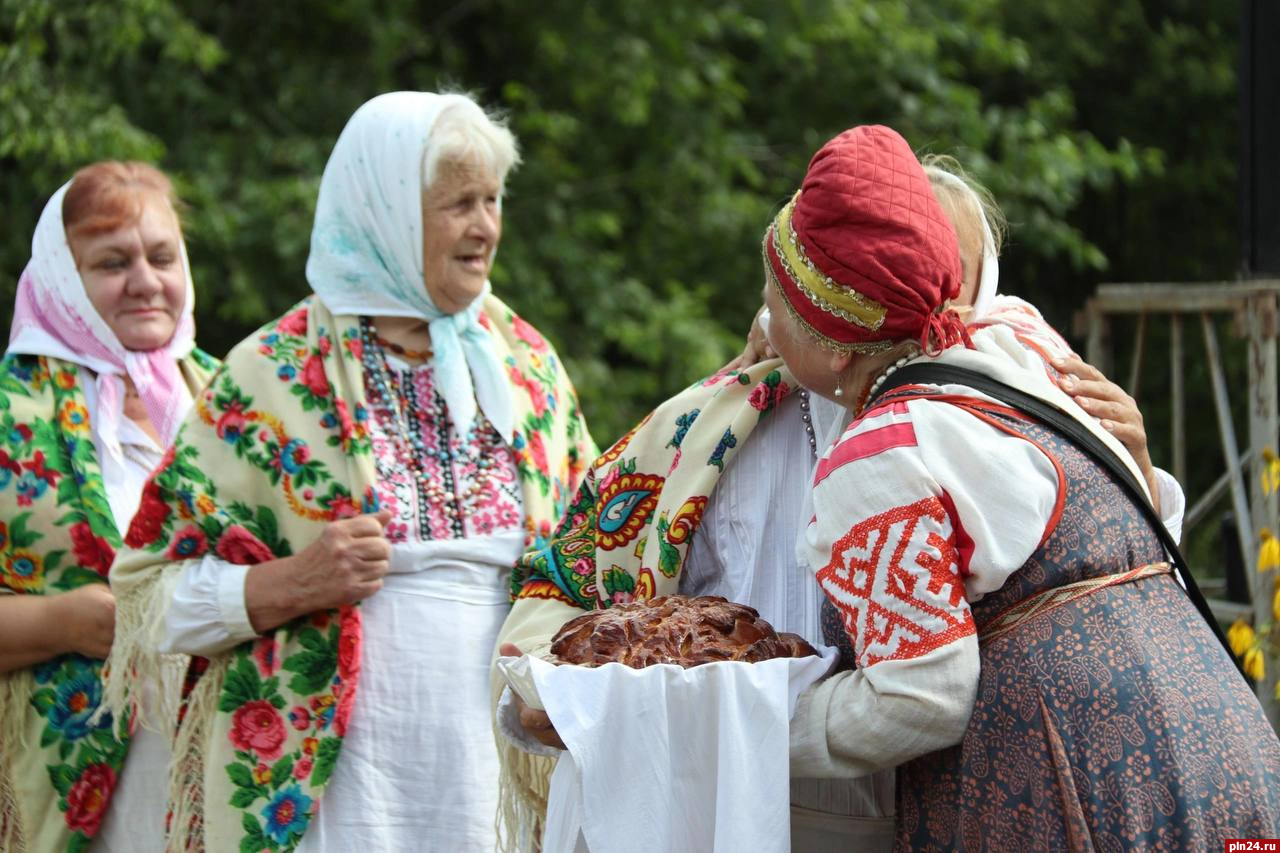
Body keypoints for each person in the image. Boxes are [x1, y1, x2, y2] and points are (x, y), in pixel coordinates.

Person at [491, 155, 1186, 851]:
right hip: (722, 817)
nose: (925, 307)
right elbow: (558, 600)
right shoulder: (706, 434)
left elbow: (1128, 598)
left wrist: (1136, 467)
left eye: (949, 284)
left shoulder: (1020, 415)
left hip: (963, 815)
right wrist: (553, 699)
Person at [103, 92, 595, 851]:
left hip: (492, 787)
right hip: (336, 796)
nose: (485, 226)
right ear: (386, 211)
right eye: (457, 204)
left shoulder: (527, 364)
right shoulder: (271, 374)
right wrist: (289, 584)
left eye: (492, 199)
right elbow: (145, 601)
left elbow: (598, 556)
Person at [764, 124, 1280, 848]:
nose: (764, 312)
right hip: (1219, 745)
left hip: (1073, 779)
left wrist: (747, 728)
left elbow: (924, 696)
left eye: (776, 297)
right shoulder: (1019, 336)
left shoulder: (881, 454)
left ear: (827, 337)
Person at [0, 162, 219, 852]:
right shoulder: (9, 414)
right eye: (112, 262)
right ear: (63, 278)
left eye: (162, 256)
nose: (147, 282)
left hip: (223, 778)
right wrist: (60, 620)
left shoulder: (232, 396)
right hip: (72, 797)